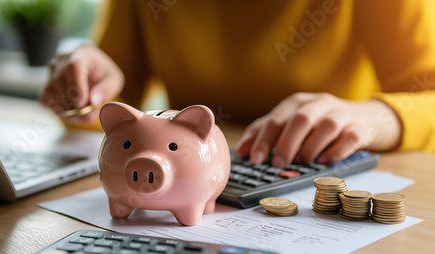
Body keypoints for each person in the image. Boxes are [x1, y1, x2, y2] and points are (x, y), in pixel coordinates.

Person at [40, 0, 435, 168]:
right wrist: (83, 93)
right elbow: (113, 109)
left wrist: (374, 117)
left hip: (333, 176)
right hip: (192, 188)